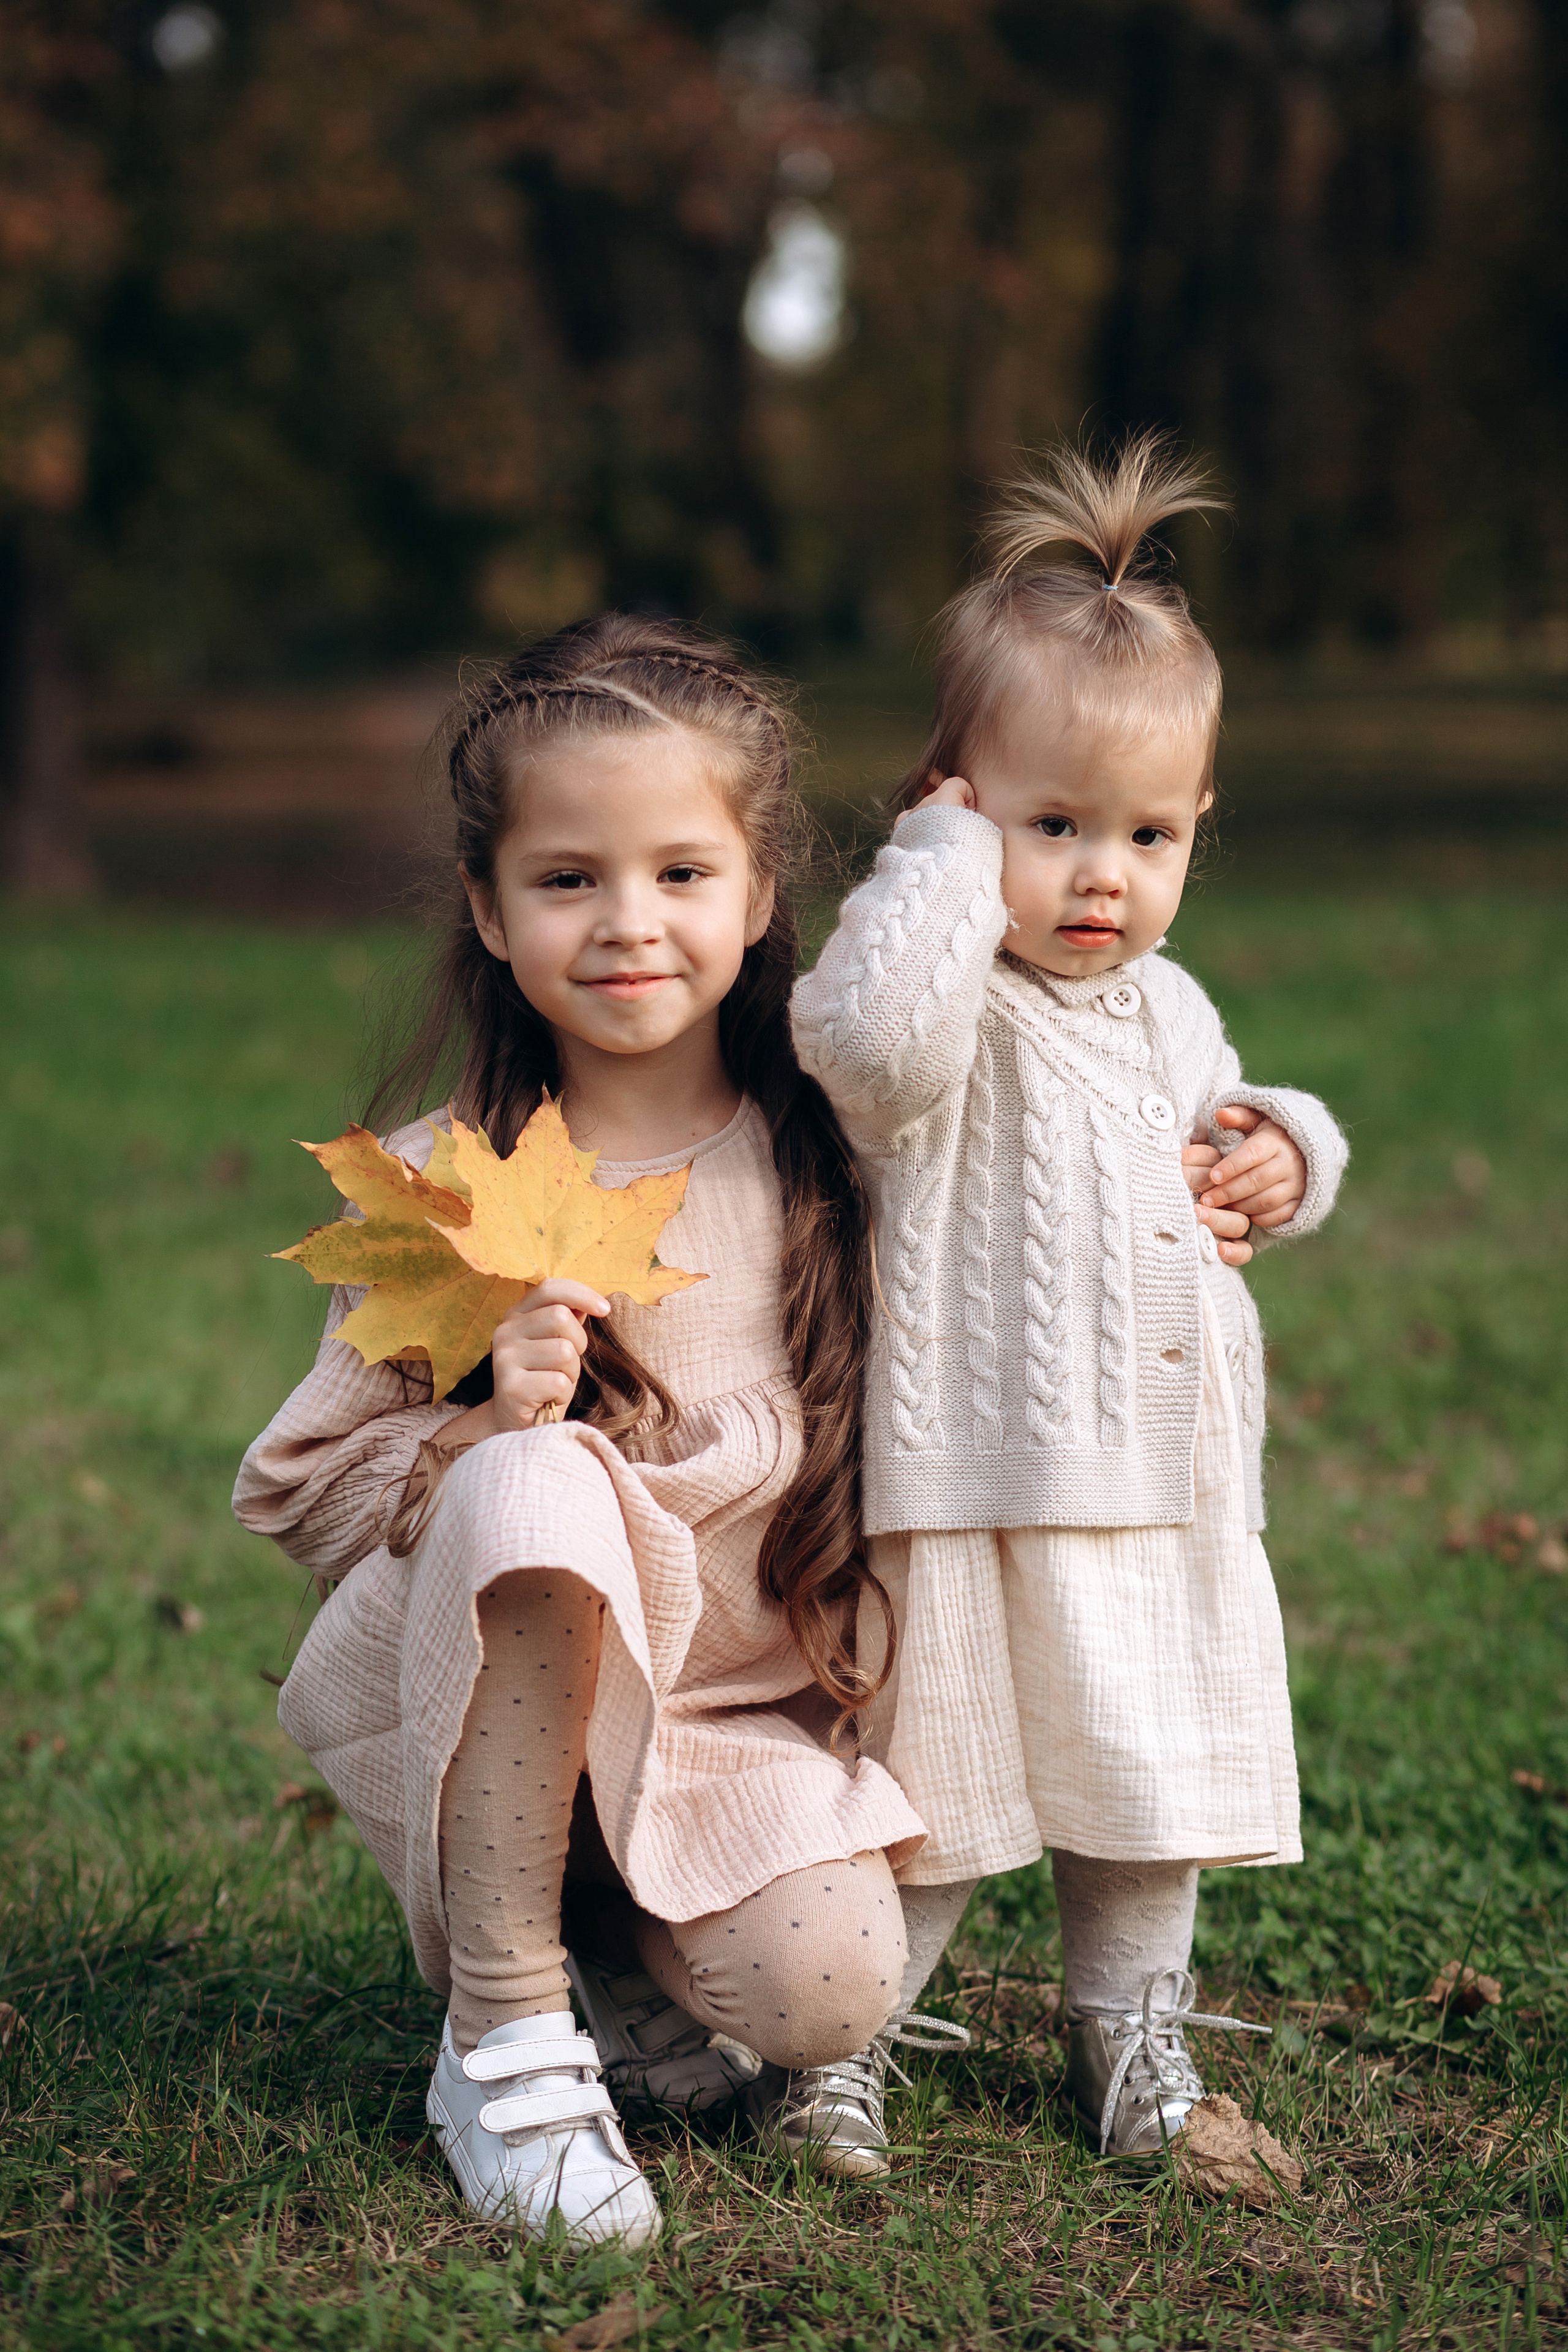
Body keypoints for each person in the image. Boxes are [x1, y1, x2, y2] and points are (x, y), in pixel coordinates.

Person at [232, 616, 957, 2250]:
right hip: (496, 1685)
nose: (630, 923)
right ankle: (502, 2031)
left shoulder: (831, 1162)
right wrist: (486, 1418)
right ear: (489, 911)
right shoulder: (452, 1189)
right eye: (569, 880)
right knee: (543, 1483)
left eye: (682, 874)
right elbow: (301, 1498)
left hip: (726, 1719)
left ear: (763, 896)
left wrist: (1258, 1151)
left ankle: (625, 1969)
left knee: (834, 1994)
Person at [791, 437, 1348, 2167]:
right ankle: (844, 2040)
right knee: (940, 1804)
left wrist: (1286, 1151)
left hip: (1162, 1486)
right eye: (1052, 827)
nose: (1102, 878)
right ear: (957, 798)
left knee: (1146, 1794)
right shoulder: (941, 984)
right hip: (970, 1479)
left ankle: (1134, 2051)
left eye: (1150, 833)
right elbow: (862, 1051)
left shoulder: (1170, 1007)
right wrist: (940, 868)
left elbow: (1239, 1120)